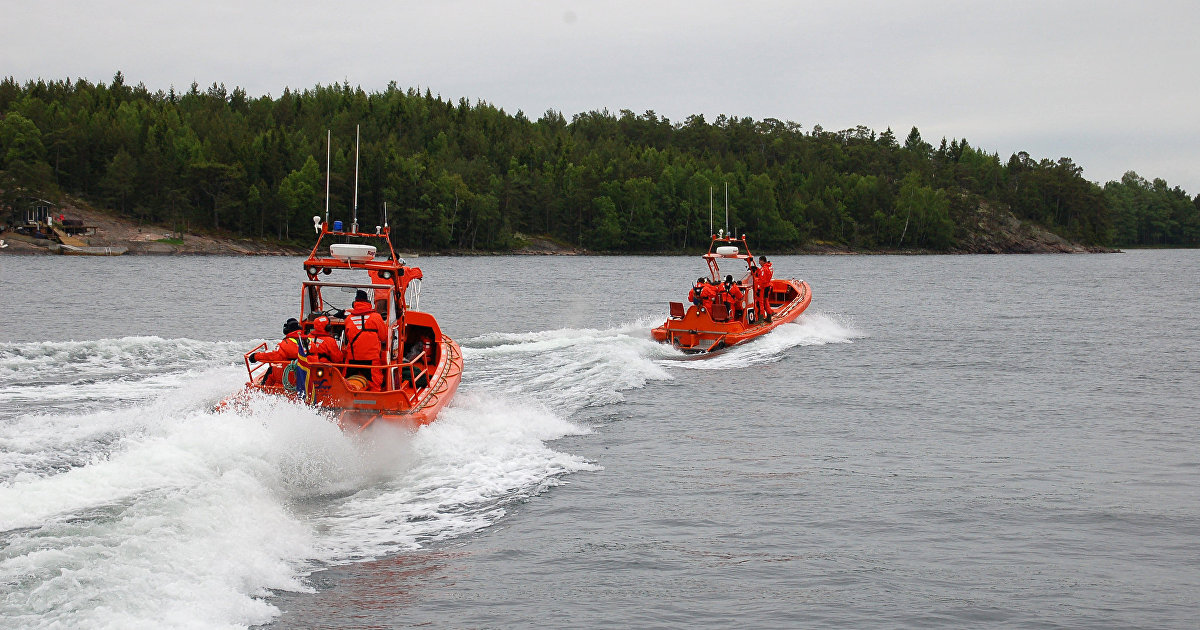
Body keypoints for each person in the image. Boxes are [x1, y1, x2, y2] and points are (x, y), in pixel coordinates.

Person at [342, 289, 388, 390]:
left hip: (352, 360)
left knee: (344, 383)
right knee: (376, 383)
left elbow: (347, 337)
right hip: (371, 361)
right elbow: (384, 337)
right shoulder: (376, 317)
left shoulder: (348, 319)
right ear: (368, 303)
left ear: (355, 303)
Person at [250, 318, 304, 386]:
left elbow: (275, 356)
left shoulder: (286, 343)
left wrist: (256, 356)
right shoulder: (309, 341)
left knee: (271, 370)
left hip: (291, 376)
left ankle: (263, 390)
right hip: (307, 375)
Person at [754, 255, 774, 323]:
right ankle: (769, 317)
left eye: (759, 261)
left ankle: (761, 319)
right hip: (767, 286)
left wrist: (758, 288)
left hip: (763, 287)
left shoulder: (763, 269)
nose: (759, 263)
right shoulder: (770, 267)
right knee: (766, 301)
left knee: (761, 303)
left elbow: (762, 280)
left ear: (762, 260)